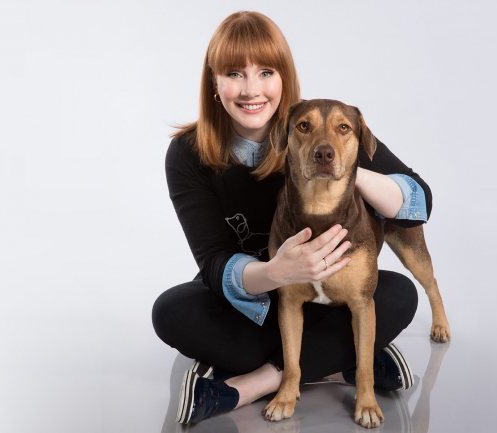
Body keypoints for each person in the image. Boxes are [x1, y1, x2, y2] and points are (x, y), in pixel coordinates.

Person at [152, 11, 431, 425]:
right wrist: (277, 272)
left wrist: (343, 168)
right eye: (234, 73)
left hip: (331, 298)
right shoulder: (188, 154)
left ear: (284, 77)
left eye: (266, 72)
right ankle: (343, 360)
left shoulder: (320, 127)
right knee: (172, 311)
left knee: (396, 295)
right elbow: (211, 260)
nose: (251, 90)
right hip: (257, 298)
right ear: (214, 83)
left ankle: (249, 384)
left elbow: (419, 202)